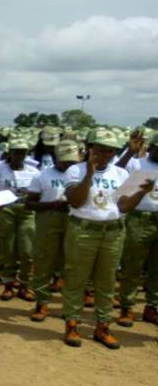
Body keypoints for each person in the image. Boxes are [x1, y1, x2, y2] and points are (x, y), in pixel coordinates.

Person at [61, 128, 129, 348]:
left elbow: (124, 206)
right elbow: (76, 202)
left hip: (113, 232)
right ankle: (72, 324)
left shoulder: (121, 174)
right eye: (100, 149)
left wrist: (139, 192)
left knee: (107, 281)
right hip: (83, 230)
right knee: (76, 279)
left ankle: (103, 326)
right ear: (90, 148)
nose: (105, 154)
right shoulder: (75, 170)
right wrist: (89, 174)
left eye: (110, 151)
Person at [25, 140, 79, 322]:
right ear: (55, 158)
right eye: (64, 161)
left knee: (71, 265)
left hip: (73, 220)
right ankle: (42, 303)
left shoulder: (82, 174)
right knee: (44, 262)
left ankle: (69, 307)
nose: (68, 165)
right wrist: (51, 204)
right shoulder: (42, 176)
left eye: (71, 162)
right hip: (48, 220)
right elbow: (29, 203)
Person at [116, 131, 158, 327]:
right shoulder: (137, 164)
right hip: (138, 218)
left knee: (156, 268)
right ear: (151, 148)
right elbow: (116, 171)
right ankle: (127, 307)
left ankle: (152, 307)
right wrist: (128, 152)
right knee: (132, 265)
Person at [0, 138, 40, 301]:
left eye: (22, 152)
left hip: (26, 211)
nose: (19, 155)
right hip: (6, 210)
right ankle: (8, 285)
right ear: (9, 153)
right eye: (16, 152)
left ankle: (25, 284)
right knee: (8, 249)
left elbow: (38, 193)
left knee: (27, 250)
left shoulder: (34, 172)